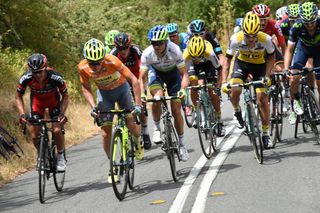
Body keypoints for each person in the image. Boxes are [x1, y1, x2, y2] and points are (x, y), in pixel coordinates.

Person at [78, 38, 143, 183]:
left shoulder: (112, 61)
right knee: (105, 132)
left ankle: (138, 140)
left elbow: (134, 80)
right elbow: (86, 88)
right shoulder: (82, 67)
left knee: (131, 123)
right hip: (104, 95)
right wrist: (93, 106)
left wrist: (138, 105)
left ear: (103, 58)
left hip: (122, 91)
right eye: (91, 63)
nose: (94, 66)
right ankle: (113, 165)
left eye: (97, 63)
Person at [221, 13, 276, 149]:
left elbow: (271, 58)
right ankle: (237, 109)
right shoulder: (236, 39)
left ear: (259, 32)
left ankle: (265, 133)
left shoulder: (266, 39)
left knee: (262, 98)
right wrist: (224, 82)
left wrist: (267, 76)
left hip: (260, 67)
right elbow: (227, 61)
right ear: (243, 32)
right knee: (235, 90)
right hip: (242, 65)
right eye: (247, 36)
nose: (251, 39)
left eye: (254, 36)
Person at [139, 25, 189, 161]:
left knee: (176, 109)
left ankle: (182, 144)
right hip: (156, 74)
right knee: (156, 98)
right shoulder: (147, 53)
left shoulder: (175, 50)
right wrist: (142, 94)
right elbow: (141, 77)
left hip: (173, 75)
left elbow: (184, 74)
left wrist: (183, 90)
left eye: (160, 43)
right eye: (154, 43)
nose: (157, 46)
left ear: (166, 42)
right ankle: (156, 128)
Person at [16, 53, 69, 171]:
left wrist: (62, 112)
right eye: (35, 72)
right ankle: (42, 155)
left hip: (54, 103)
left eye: (40, 71)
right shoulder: (26, 78)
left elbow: (65, 95)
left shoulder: (55, 77)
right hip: (37, 104)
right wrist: (22, 114)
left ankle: (60, 156)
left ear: (45, 68)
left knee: (56, 129)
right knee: (34, 135)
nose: (38, 75)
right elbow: (18, 96)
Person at [110, 32, 152, 149]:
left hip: (137, 77)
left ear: (129, 45)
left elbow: (142, 73)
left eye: (124, 48)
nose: (122, 51)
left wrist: (142, 93)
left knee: (141, 103)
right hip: (122, 81)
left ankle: (145, 131)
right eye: (119, 48)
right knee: (124, 108)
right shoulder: (113, 54)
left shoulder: (136, 51)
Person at [284, 2, 320, 125]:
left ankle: (316, 106)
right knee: (294, 77)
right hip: (303, 49)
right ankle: (296, 101)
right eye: (307, 23)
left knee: (319, 82)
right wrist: (286, 69)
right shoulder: (297, 27)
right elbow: (289, 50)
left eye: (312, 22)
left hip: (318, 50)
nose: (310, 25)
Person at [183, 36, 225, 136]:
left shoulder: (209, 52)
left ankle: (219, 120)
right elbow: (184, 74)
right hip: (194, 67)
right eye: (194, 57)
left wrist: (218, 87)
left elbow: (220, 71)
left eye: (199, 56)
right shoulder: (185, 55)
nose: (197, 59)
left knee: (212, 90)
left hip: (208, 65)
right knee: (193, 86)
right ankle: (199, 112)